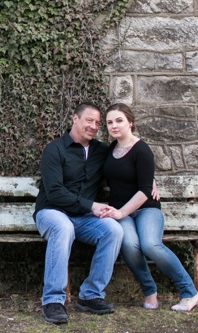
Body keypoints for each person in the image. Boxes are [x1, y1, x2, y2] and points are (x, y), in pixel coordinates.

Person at [100, 103, 198, 312]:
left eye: (119, 120)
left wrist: (121, 211)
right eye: (110, 122)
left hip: (146, 209)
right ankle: (149, 291)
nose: (114, 125)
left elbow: (145, 191)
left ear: (130, 122)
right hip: (121, 210)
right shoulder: (111, 149)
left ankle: (189, 292)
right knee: (129, 245)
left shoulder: (142, 150)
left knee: (150, 245)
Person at [33, 103, 123, 324]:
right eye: (88, 120)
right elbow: (54, 193)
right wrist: (91, 205)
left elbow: (129, 157)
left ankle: (91, 295)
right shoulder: (54, 150)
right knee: (63, 227)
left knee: (113, 230)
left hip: (82, 218)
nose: (93, 126)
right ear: (75, 119)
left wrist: (150, 179)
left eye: (97, 123)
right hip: (52, 212)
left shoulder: (101, 151)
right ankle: (52, 301)